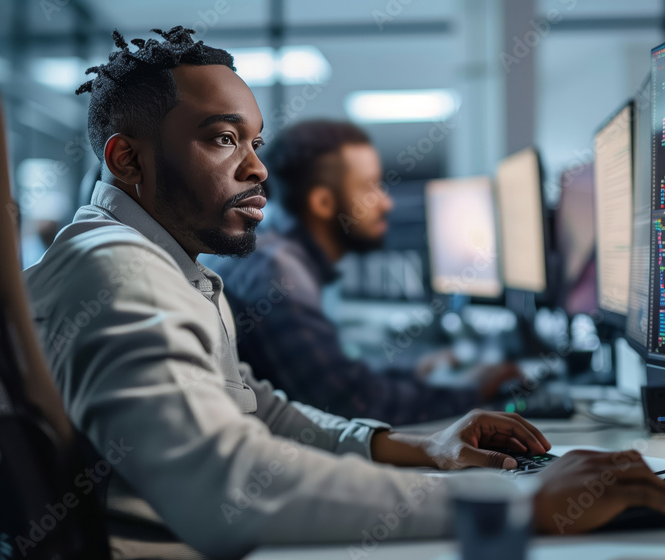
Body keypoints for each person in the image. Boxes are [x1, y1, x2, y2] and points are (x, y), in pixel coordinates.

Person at [24, 27, 665, 559]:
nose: (255, 167)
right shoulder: (120, 274)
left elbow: (261, 412)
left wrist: (414, 445)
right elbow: (225, 489)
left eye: (254, 142)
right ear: (126, 160)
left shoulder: (160, 265)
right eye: (222, 139)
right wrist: (524, 504)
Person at [207, 120, 519, 425]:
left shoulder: (275, 253)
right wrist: (476, 391)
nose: (386, 204)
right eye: (371, 187)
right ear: (323, 203)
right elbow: (352, 401)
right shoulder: (275, 270)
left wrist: (416, 374)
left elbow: (338, 376)